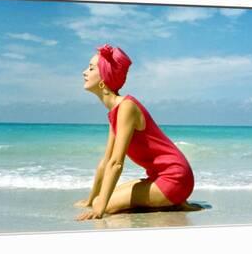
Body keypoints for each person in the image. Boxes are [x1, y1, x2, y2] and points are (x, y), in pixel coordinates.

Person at [75, 43, 198, 221]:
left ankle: (172, 200)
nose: (84, 72)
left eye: (91, 68)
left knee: (102, 203)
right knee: (97, 199)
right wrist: (90, 199)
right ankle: (170, 202)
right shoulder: (116, 111)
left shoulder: (127, 107)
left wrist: (100, 209)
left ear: (103, 81)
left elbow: (117, 163)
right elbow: (107, 160)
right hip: (160, 177)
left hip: (175, 179)